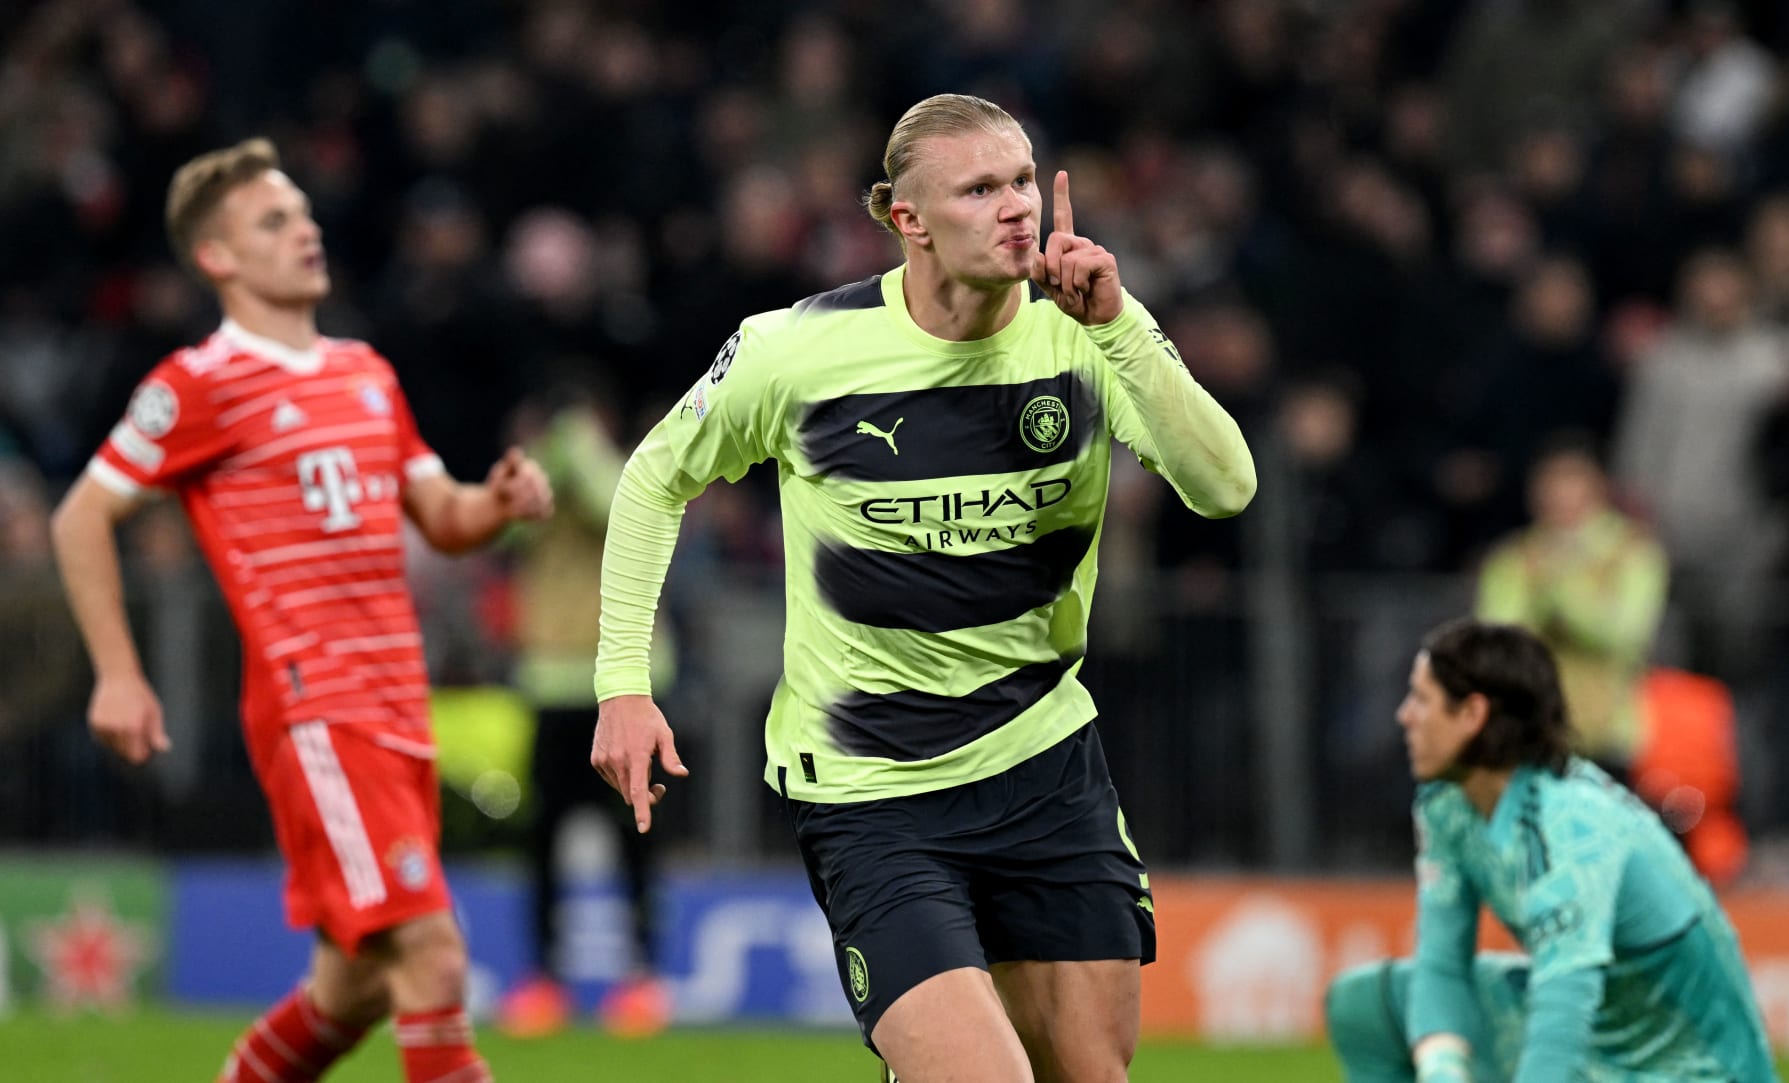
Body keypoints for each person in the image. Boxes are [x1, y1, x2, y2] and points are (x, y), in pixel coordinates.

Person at [588, 93, 1256, 1082]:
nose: (1016, 207)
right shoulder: (797, 351)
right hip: (873, 790)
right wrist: (623, 684)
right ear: (908, 220)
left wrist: (1118, 325)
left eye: (1024, 179)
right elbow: (654, 477)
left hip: (1045, 768)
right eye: (981, 188)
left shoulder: (1082, 331)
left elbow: (1225, 486)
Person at [49, 138, 552, 1083]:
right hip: (319, 702)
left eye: (303, 213)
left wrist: (498, 500)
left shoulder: (365, 369)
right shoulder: (198, 382)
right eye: (272, 221)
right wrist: (118, 672)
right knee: (433, 953)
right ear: (218, 259)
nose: (305, 230)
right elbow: (82, 514)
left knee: (353, 984)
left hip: (399, 700)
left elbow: (440, 514)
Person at [1325, 618, 1776, 1083]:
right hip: (1599, 1042)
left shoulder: (1571, 825)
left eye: (1422, 699)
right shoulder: (1447, 804)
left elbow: (1563, 1012)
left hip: (1691, 1071)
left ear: (1471, 715)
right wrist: (1442, 1070)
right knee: (1366, 1004)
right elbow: (1442, 963)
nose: (1405, 715)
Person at [496, 391, 671, 1037]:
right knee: (543, 841)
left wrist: (583, 447)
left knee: (637, 837)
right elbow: (505, 525)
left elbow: (622, 506)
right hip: (549, 682)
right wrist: (550, 455)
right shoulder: (543, 486)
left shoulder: (625, 471)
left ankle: (643, 978)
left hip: (630, 687)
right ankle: (543, 978)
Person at [1475, 435, 1667, 775]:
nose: (1558, 492)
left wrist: (1559, 591)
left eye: (1571, 478)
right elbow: (1498, 645)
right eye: (1549, 480)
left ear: (1599, 484)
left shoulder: (1632, 552)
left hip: (1606, 737)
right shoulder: (1512, 558)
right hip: (1529, 736)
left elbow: (1627, 634)